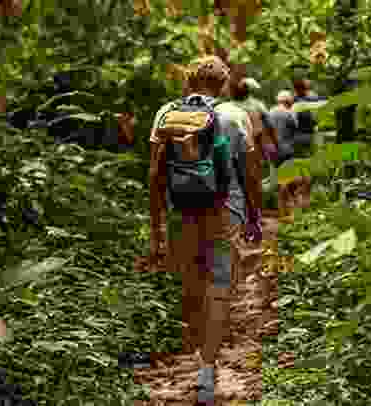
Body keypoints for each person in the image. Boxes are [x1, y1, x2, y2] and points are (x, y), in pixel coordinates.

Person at [148, 55, 262, 405]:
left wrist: (156, 227)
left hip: (181, 211)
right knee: (219, 285)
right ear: (223, 85)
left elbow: (154, 174)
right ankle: (207, 369)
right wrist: (254, 216)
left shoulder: (167, 114)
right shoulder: (234, 115)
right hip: (225, 211)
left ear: (190, 81)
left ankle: (200, 352)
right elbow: (250, 172)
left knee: (192, 287)